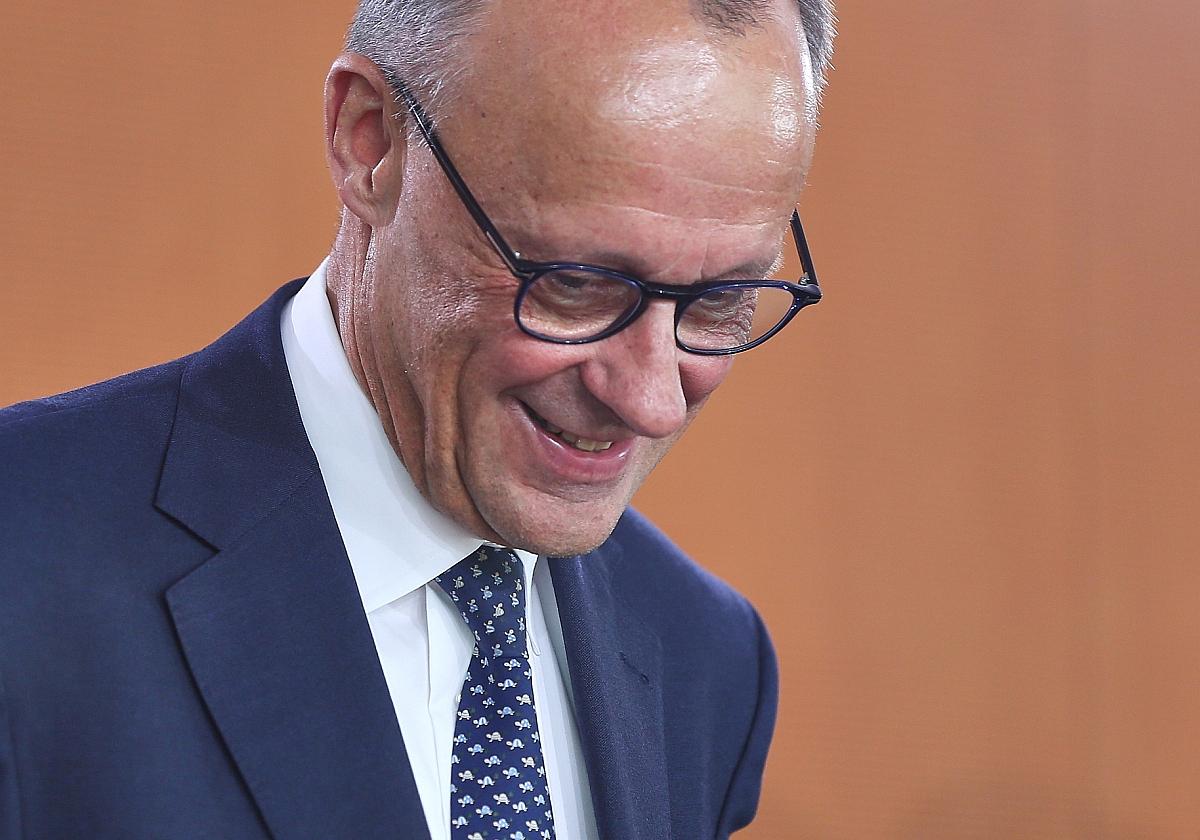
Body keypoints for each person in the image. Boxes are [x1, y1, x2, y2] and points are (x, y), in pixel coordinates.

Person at [0, 0, 834, 837]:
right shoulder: (23, 564)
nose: (650, 400)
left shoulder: (709, 663)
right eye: (575, 284)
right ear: (369, 141)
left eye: (722, 300)